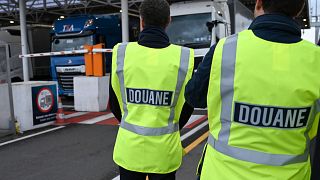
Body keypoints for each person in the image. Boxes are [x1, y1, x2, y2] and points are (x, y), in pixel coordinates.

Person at [185, 0, 320, 179]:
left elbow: (194, 97)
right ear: (299, 9)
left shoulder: (224, 49)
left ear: (258, 3)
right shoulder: (315, 59)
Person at [109, 0, 194, 179]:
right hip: (164, 152)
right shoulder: (183, 57)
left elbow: (115, 105)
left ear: (141, 21)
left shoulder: (121, 53)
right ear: (169, 21)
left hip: (129, 151)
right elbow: (187, 107)